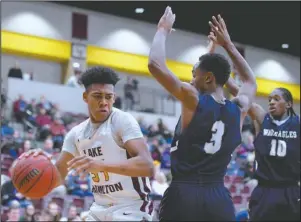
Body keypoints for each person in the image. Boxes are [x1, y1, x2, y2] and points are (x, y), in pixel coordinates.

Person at [148, 7, 257, 221]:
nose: (190, 80)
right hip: (218, 197)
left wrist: (162, 30)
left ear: (207, 79)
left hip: (183, 194)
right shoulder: (239, 109)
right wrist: (227, 45)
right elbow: (250, 81)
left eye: (193, 75)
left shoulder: (192, 98)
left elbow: (155, 64)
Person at [20, 66, 154, 221]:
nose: (104, 102)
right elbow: (57, 176)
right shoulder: (76, 134)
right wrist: (40, 164)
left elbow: (148, 166)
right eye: (97, 96)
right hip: (98, 210)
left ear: (114, 98)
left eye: (108, 97)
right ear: (85, 96)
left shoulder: (122, 121)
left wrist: (101, 166)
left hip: (131, 208)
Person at [226, 78, 300, 221]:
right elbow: (241, 95)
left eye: (277, 99)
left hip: (291, 189)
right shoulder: (262, 118)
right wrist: (223, 74)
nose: (271, 102)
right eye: (270, 99)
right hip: (265, 189)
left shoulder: (298, 123)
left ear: (289, 104)